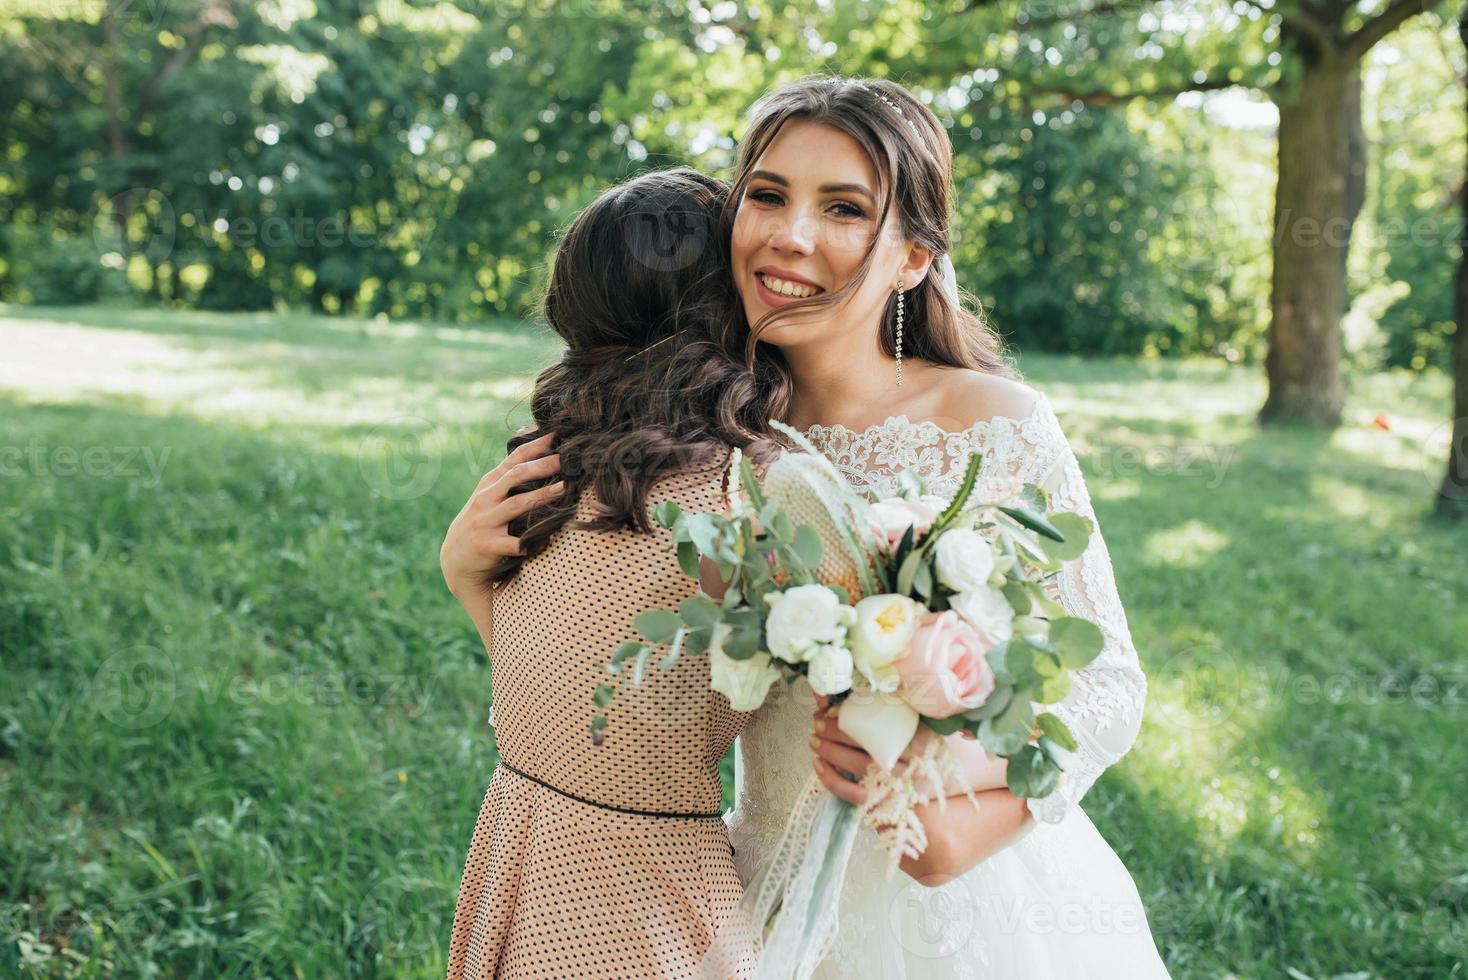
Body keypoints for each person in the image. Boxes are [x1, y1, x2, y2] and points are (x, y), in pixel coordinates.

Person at [720, 75, 1170, 978]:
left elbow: (1108, 686)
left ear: (915, 257)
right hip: (758, 893)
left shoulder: (992, 422)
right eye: (766, 195)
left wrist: (961, 809)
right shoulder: (710, 433)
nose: (789, 235)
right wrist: (468, 574)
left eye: (843, 209)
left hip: (968, 904)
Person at [438, 167, 781, 980]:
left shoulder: (553, 461)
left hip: (537, 857)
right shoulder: (741, 489)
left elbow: (576, 697)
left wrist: (466, 579)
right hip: (646, 895)